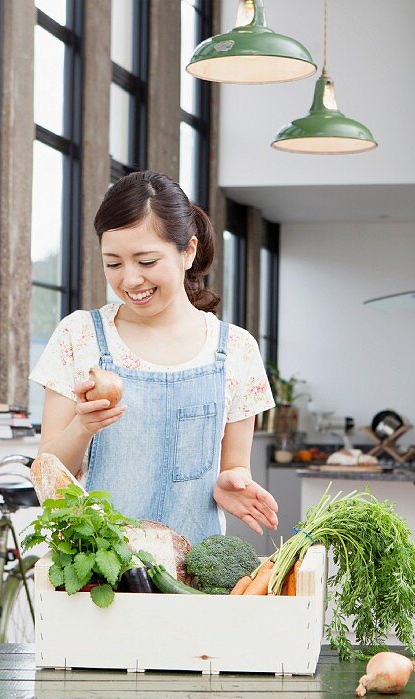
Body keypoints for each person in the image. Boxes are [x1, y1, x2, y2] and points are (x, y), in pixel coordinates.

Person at [29, 170, 279, 544]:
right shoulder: (79, 336)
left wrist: (231, 480)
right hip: (96, 575)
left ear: (188, 251)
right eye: (113, 263)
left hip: (192, 574)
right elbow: (47, 477)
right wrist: (83, 427)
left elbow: (234, 465)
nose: (130, 281)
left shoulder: (236, 351)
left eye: (146, 262)